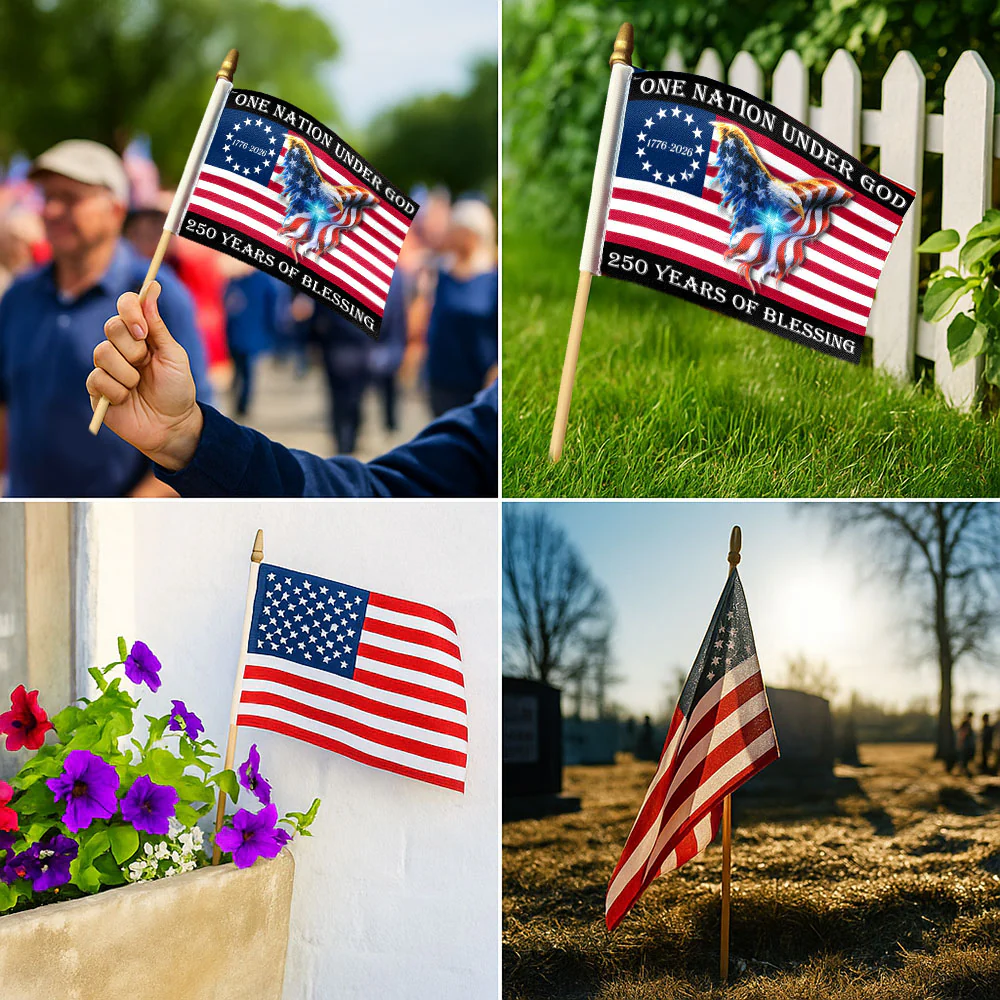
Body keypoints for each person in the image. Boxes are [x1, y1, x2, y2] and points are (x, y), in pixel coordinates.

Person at [85, 283, 496, 497]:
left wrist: (390, 352)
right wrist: (185, 434)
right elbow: (374, 495)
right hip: (336, 355)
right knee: (341, 413)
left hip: (369, 357)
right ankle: (345, 438)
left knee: (354, 410)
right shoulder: (489, 424)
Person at [0, 140, 210, 497]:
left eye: (70, 198)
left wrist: (128, 514)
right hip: (26, 514)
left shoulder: (155, 297)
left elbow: (193, 435)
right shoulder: (19, 296)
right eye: (47, 196)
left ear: (116, 209)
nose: (51, 210)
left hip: (121, 521)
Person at [425, 198, 498, 417]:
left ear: (472, 235)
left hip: (478, 379)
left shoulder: (492, 276)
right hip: (442, 377)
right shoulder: (442, 272)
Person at [223, 265, 281, 417]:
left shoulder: (259, 281)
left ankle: (242, 405)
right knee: (240, 371)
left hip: (248, 333)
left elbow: (271, 308)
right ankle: (240, 404)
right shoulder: (236, 281)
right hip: (238, 334)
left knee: (246, 372)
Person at [957, 712, 976, 776]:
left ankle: (963, 770)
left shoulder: (968, 723)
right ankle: (962, 770)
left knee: (966, 758)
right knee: (964, 757)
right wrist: (961, 741)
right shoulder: (966, 723)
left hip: (967, 744)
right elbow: (963, 733)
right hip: (966, 744)